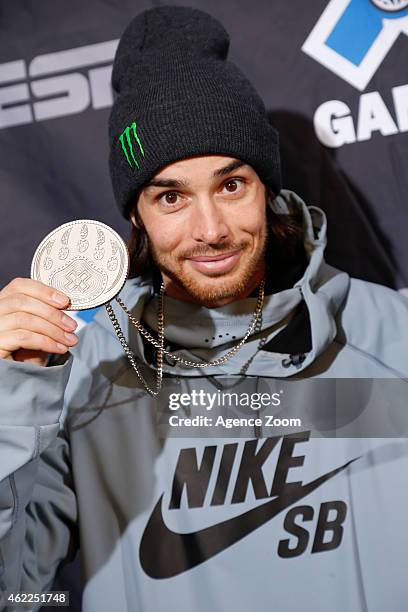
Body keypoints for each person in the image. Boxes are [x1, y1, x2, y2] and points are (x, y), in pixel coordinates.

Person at [1, 6, 408, 612]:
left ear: (266, 187)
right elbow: (16, 590)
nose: (211, 229)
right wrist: (12, 402)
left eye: (231, 184)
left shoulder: (393, 336)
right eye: (171, 197)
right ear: (135, 214)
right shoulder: (79, 376)